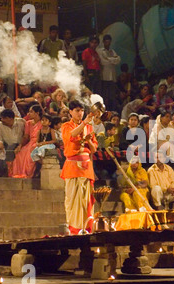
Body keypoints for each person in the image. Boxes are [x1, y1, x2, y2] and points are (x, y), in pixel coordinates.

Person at [60, 100, 98, 234]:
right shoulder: (66, 126)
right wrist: (84, 123)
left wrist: (88, 140)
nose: (80, 113)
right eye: (77, 110)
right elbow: (72, 135)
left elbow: (93, 149)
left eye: (81, 110)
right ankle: (74, 229)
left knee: (86, 200)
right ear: (70, 112)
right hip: (72, 166)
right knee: (72, 200)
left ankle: (87, 227)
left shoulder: (89, 128)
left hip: (86, 166)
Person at [12, 104, 43, 178]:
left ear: (37, 113)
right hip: (30, 142)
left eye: (31, 112)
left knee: (30, 153)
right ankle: (19, 174)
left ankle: (28, 174)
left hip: (39, 142)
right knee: (20, 153)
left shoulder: (42, 122)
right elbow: (26, 136)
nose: (29, 114)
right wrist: (20, 146)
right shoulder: (28, 123)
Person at [0, 109, 26, 177]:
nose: (2, 120)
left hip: (19, 144)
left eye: (4, 118)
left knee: (11, 148)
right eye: (1, 118)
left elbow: (26, 135)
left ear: (11, 118)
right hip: (6, 144)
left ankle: (9, 172)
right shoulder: (0, 125)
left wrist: (21, 145)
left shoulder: (21, 122)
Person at [98, 34, 121, 111]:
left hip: (112, 77)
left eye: (109, 42)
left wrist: (109, 59)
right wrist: (112, 60)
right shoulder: (100, 51)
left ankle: (112, 111)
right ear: (103, 42)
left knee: (112, 96)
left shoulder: (112, 51)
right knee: (105, 97)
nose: (108, 43)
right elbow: (103, 62)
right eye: (106, 42)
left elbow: (118, 60)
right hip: (105, 76)